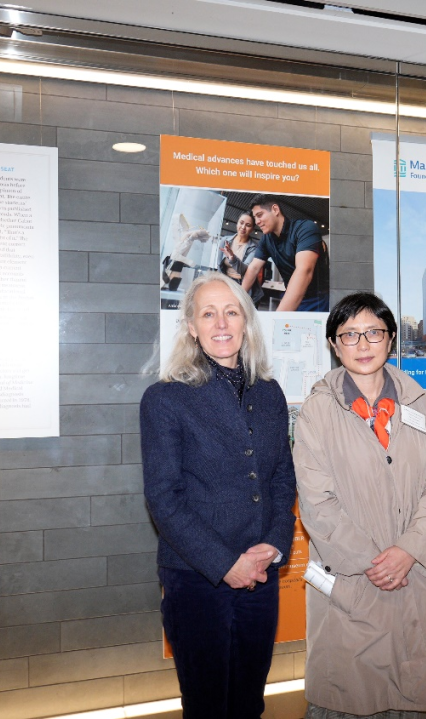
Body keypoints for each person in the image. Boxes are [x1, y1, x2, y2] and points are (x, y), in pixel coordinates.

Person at [293, 292, 426, 717]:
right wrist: (375, 563)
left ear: (391, 339)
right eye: (349, 334)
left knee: (413, 695)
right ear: (334, 345)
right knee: (350, 697)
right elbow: (317, 502)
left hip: (415, 576)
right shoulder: (316, 412)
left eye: (373, 332)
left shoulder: (422, 404)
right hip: (354, 580)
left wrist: (409, 550)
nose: (363, 344)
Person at [140, 272, 298, 718]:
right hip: (198, 578)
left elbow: (282, 478)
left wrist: (274, 545)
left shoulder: (269, 393)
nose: (222, 323)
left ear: (246, 322)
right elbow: (164, 498)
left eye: (232, 312)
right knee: (208, 707)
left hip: (260, 575)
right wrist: (227, 564)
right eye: (208, 314)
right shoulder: (165, 399)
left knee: (249, 703)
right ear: (192, 327)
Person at [240, 194, 329, 311]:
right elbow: (253, 268)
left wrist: (278, 317)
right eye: (255, 217)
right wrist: (238, 300)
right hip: (291, 295)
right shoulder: (266, 239)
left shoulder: (305, 228)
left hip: (318, 300)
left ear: (275, 209)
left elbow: (304, 271)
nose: (257, 221)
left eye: (260, 215)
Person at [220, 211, 265, 306]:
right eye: (241, 223)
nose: (243, 227)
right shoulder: (225, 240)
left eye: (248, 225)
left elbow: (245, 270)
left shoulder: (254, 247)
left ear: (252, 229)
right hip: (226, 282)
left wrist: (232, 258)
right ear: (237, 223)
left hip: (244, 285)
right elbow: (219, 266)